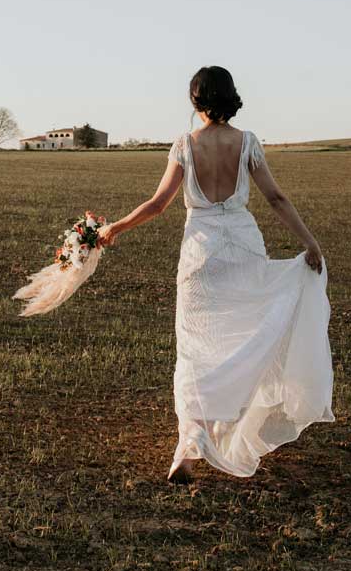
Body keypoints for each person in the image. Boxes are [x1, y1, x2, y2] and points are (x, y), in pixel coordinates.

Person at [97, 66, 333, 482]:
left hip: (202, 256)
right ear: (231, 97)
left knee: (195, 349)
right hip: (243, 249)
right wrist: (310, 243)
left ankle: (187, 449)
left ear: (195, 101)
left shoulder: (185, 145)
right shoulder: (248, 143)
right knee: (242, 340)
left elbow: (157, 204)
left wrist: (115, 227)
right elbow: (275, 197)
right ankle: (224, 428)